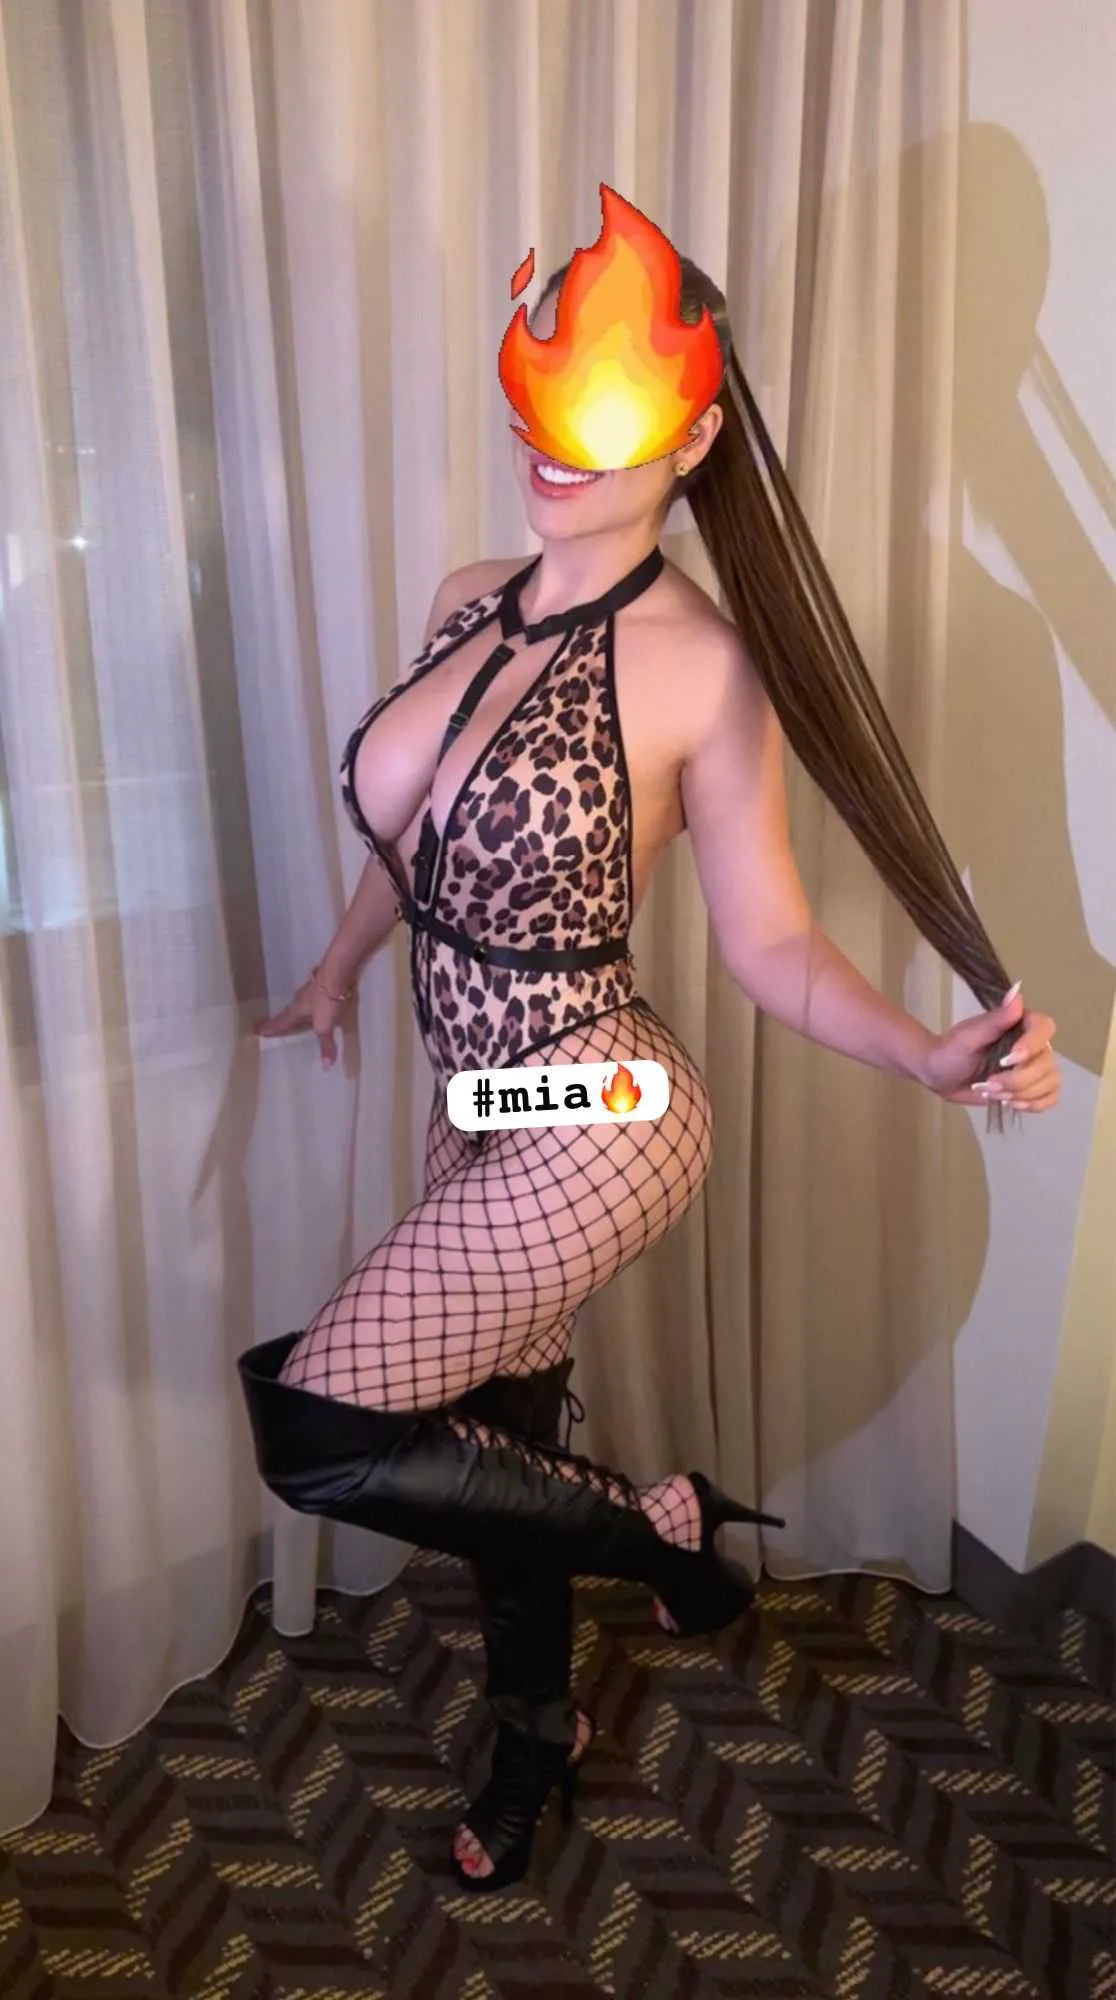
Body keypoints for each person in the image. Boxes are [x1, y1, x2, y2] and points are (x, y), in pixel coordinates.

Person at [244, 256, 1060, 1892]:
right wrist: (338, 967)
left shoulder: (705, 668)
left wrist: (927, 1051)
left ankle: (663, 1535)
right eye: (538, 411)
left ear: (689, 442)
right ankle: (536, 1736)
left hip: (609, 1104)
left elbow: (773, 942)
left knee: (320, 1425)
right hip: (484, 1100)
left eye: (602, 422)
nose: (552, 452)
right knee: (497, 1444)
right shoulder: (466, 594)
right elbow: (418, 835)